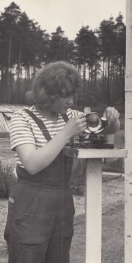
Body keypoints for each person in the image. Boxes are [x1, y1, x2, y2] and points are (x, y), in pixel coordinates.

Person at [4, 61, 120, 263]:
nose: (71, 101)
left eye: (73, 95)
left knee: (59, 255)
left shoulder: (71, 116)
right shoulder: (21, 118)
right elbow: (31, 164)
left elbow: (104, 129)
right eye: (65, 95)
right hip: (31, 201)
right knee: (27, 254)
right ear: (48, 93)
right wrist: (66, 132)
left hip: (62, 201)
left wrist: (112, 120)